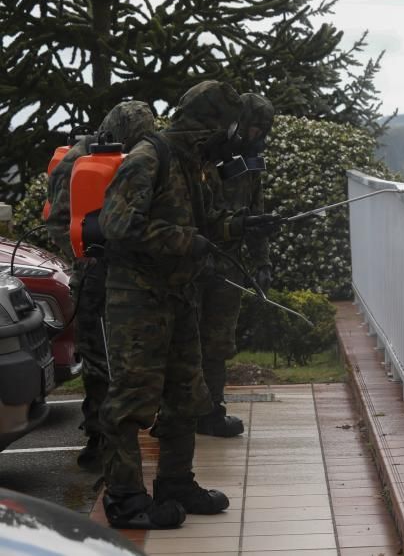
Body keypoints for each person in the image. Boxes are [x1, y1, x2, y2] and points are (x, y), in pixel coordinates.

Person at [97, 80, 277, 529]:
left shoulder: (194, 164)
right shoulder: (148, 158)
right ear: (208, 124)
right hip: (138, 299)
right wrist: (182, 241)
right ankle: (125, 498)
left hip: (180, 296)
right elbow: (116, 226)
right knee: (131, 402)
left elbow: (209, 220)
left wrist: (244, 225)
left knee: (185, 395)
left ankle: (176, 483)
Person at [45, 101, 156, 472]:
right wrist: (84, 256)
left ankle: (119, 432)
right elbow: (61, 221)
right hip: (93, 276)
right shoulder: (78, 161)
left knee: (127, 356)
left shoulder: (128, 157)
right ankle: (97, 439)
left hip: (127, 274)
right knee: (98, 359)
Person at [197, 93, 275, 437]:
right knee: (188, 342)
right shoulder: (203, 158)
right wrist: (235, 225)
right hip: (194, 263)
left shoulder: (249, 165)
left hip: (227, 267)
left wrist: (262, 260)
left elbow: (255, 213)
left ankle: (211, 410)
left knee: (217, 343)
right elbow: (196, 219)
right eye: (256, 128)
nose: (260, 137)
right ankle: (184, 410)